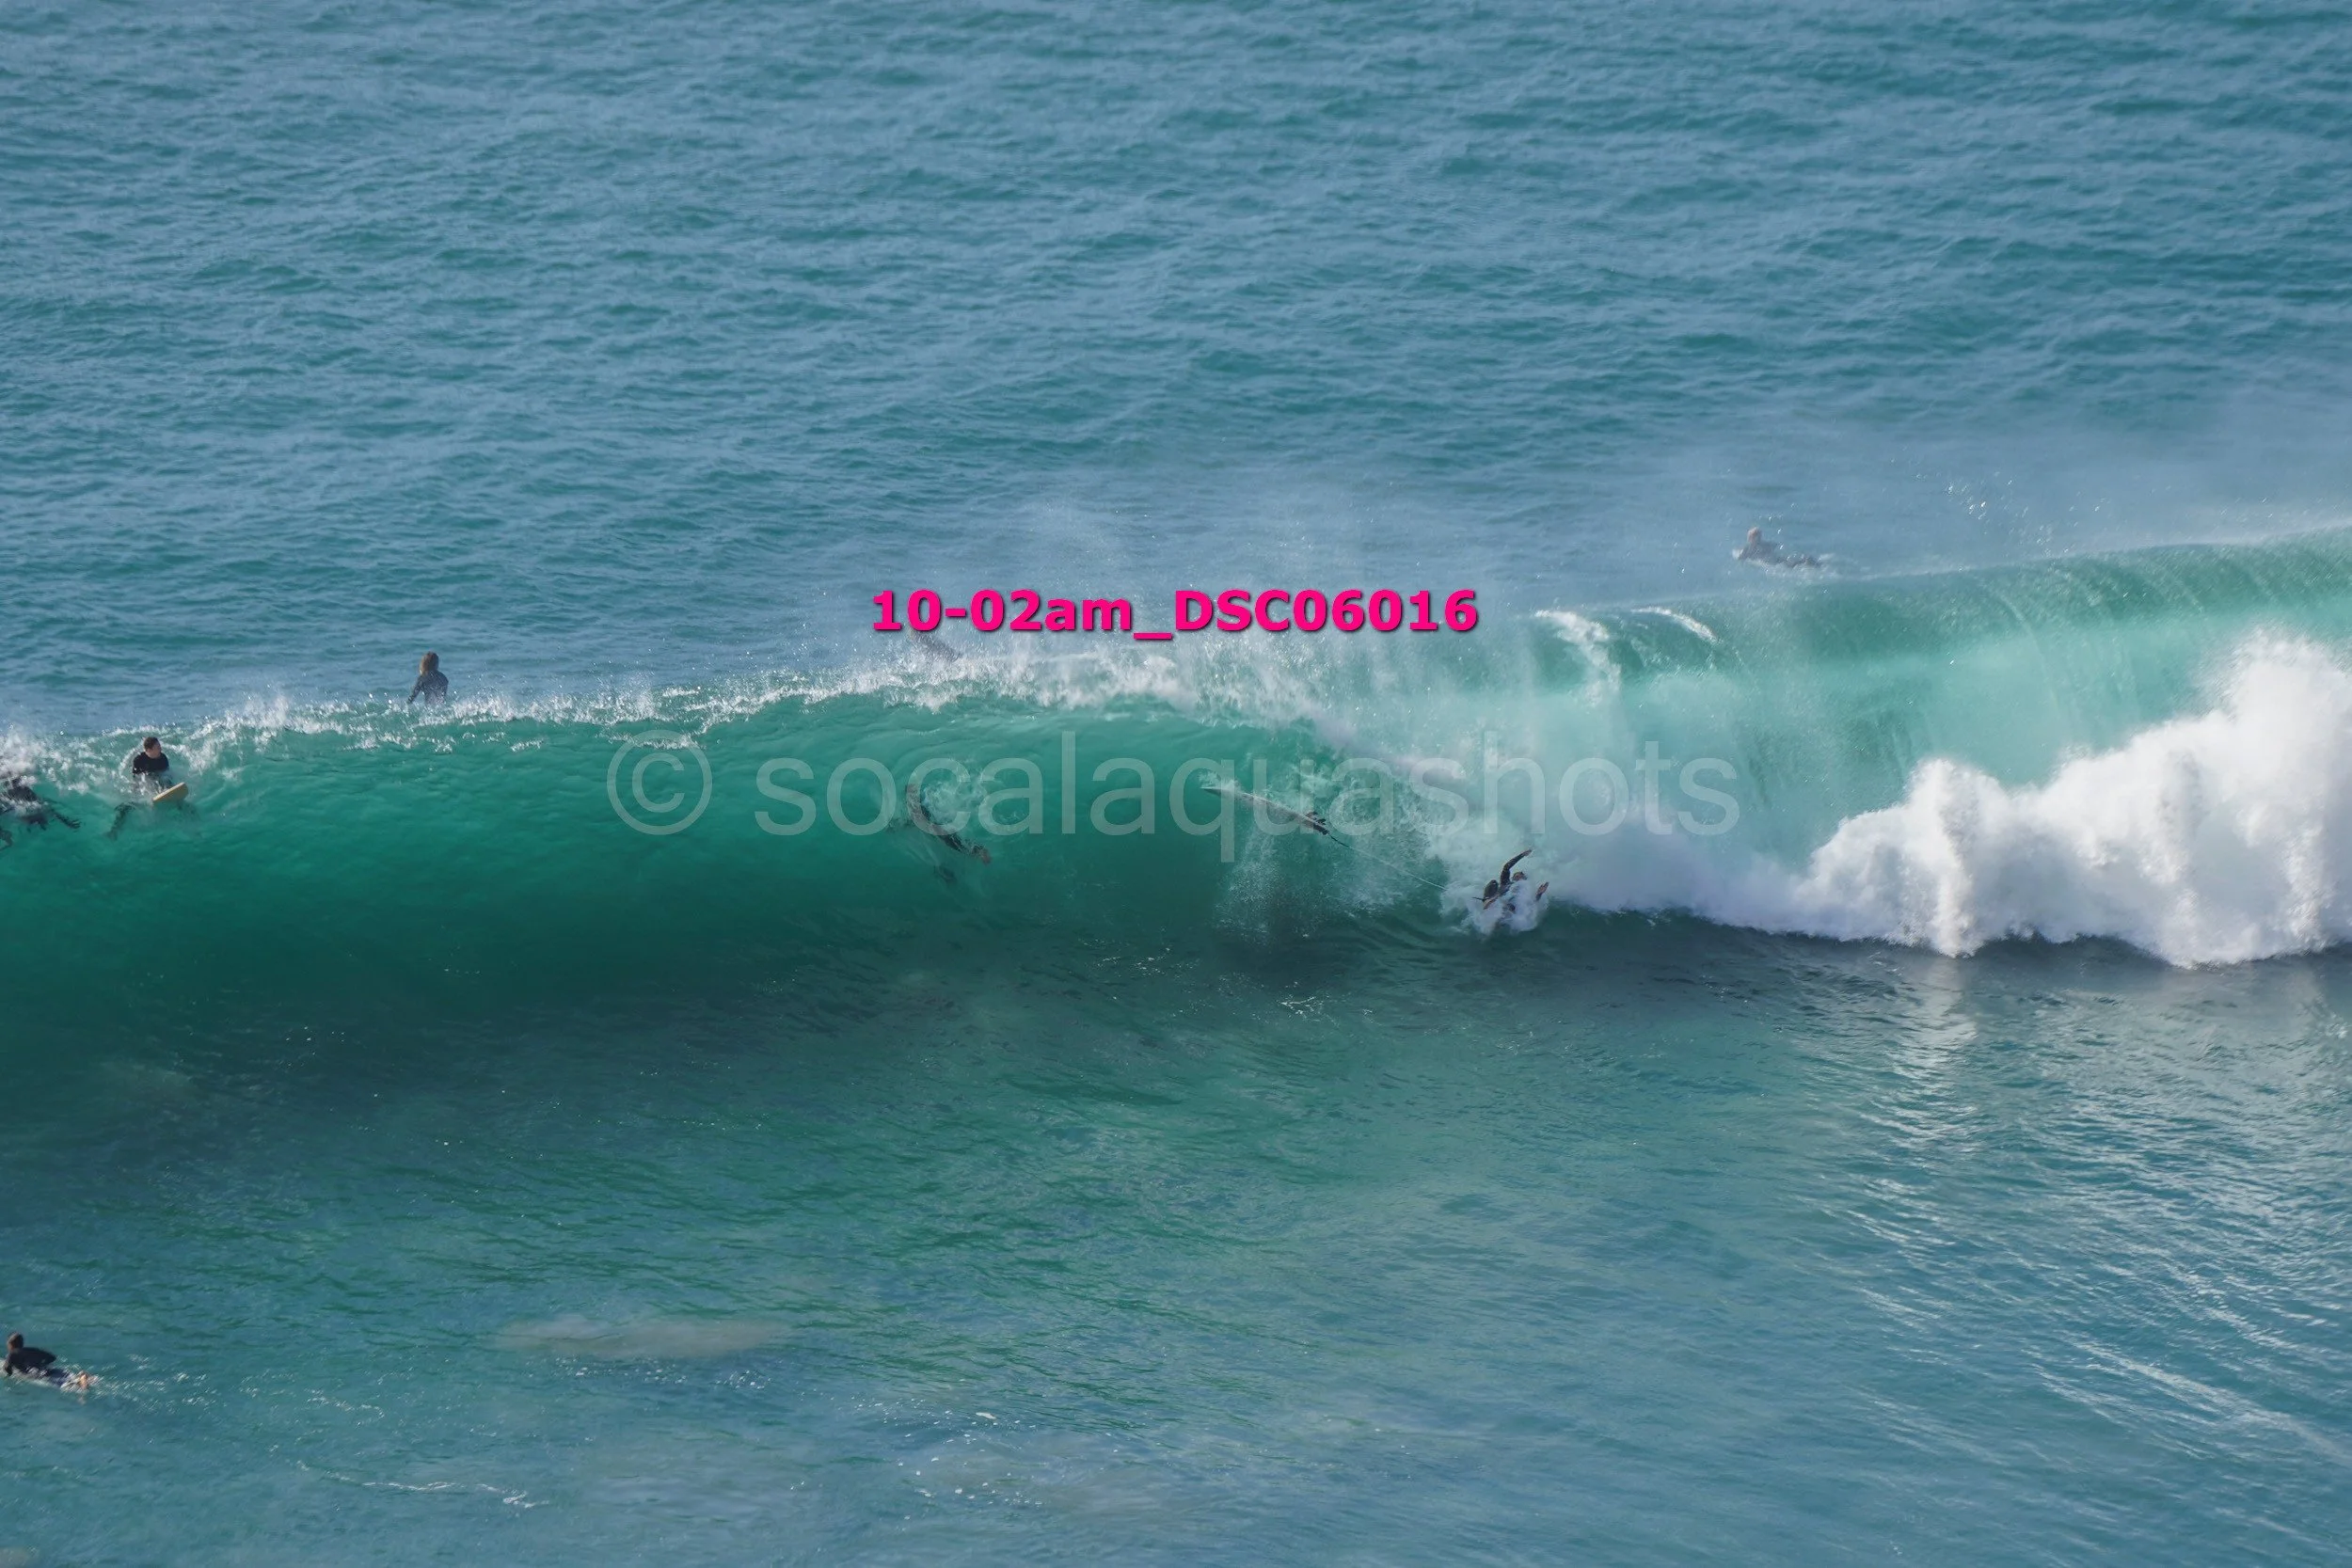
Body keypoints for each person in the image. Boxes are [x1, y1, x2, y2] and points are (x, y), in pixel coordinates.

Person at [906, 783, 993, 864]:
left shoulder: (919, 806)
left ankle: (978, 850)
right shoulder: (921, 804)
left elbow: (917, 820)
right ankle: (978, 850)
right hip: (934, 823)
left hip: (934, 825)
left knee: (951, 840)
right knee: (951, 840)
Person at [108, 736, 175, 836]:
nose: (160, 749)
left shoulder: (163, 758)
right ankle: (114, 831)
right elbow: (137, 781)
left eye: (160, 746)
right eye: (157, 747)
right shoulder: (139, 760)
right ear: (149, 750)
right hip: (143, 782)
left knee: (166, 782)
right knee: (127, 806)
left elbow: (167, 775)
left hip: (158, 779)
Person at [0, 775, 78, 848]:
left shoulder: (15, 800)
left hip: (24, 807)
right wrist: (66, 822)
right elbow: (51, 811)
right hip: (26, 807)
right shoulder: (23, 798)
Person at [1737, 527, 1821, 569]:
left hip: (1771, 562)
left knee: (1790, 566)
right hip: (1776, 559)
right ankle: (1806, 560)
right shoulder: (1766, 544)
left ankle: (1805, 561)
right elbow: (1776, 546)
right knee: (1791, 563)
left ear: (1750, 538)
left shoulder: (1747, 548)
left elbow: (1741, 558)